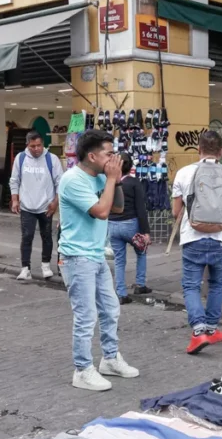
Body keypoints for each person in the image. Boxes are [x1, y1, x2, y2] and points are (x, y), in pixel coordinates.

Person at [58, 130, 139, 391]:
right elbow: (102, 212)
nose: (113, 158)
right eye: (108, 153)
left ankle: (110, 359)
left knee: (111, 309)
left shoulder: (100, 176)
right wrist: (112, 178)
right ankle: (82, 370)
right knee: (86, 316)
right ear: (92, 156)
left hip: (95, 255)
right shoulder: (73, 180)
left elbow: (116, 208)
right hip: (76, 257)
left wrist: (114, 179)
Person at [171, 130, 222, 354]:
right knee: (217, 285)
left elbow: (176, 212)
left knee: (191, 285)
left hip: (193, 238)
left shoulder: (184, 173)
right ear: (221, 151)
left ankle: (198, 330)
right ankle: (211, 329)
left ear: (199, 149)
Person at [10, 132, 62, 281]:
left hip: (46, 206)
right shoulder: (21, 158)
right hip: (27, 206)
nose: (36, 149)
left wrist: (55, 203)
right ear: (28, 145)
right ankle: (25, 268)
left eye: (39, 145)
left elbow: (60, 182)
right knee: (27, 236)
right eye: (33, 146)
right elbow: (14, 180)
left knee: (46, 236)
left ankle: (46, 265)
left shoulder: (52, 159)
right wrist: (15, 200)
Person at [109, 152, 152, 303]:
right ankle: (140, 284)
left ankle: (121, 293)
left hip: (112, 225)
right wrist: (146, 232)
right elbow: (141, 208)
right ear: (131, 167)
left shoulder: (109, 182)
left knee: (119, 260)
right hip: (130, 224)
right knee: (141, 252)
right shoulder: (134, 183)